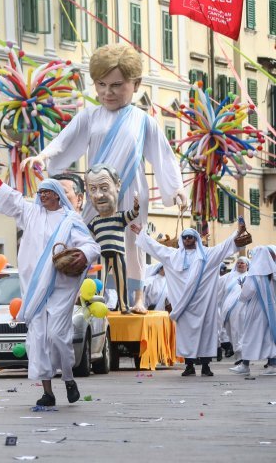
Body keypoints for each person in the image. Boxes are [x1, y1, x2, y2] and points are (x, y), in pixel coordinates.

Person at [24, 44, 186, 313]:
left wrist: (177, 188)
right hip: (96, 191)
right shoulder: (89, 117)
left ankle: (136, 298)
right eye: (101, 85)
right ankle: (83, 292)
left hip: (132, 191)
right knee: (84, 237)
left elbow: (163, 156)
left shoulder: (143, 121)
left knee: (133, 244)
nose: (107, 92)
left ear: (136, 84)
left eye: (116, 85)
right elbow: (64, 141)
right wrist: (43, 156)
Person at [0, 162, 100, 406]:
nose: (42, 195)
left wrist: (83, 255)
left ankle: (68, 379)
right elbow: (7, 194)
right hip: (35, 289)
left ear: (57, 195)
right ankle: (48, 392)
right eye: (40, 192)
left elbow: (91, 245)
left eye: (47, 192)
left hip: (61, 286)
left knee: (57, 336)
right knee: (37, 339)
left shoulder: (70, 220)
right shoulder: (30, 212)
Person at [131, 219, 246, 377]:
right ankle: (189, 365)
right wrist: (141, 234)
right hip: (183, 306)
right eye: (184, 237)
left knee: (206, 334)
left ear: (196, 239)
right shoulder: (173, 256)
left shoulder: (207, 254)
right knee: (185, 336)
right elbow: (156, 248)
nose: (187, 240)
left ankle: (206, 366)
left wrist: (238, 232)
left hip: (204, 305)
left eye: (190, 237)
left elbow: (225, 246)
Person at [85, 164, 140, 313]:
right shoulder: (95, 221)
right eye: (93, 189)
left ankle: (123, 306)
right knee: (99, 281)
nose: (98, 195)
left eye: (104, 188)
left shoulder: (119, 217)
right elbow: (84, 233)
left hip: (117, 252)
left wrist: (136, 208)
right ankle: (98, 305)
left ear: (117, 186)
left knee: (121, 280)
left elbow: (132, 215)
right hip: (102, 254)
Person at [229, 246, 276, 376]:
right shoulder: (273, 273)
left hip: (256, 311)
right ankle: (272, 364)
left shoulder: (254, 275)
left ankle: (245, 365)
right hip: (272, 311)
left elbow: (246, 294)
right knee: (270, 338)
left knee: (249, 336)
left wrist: (243, 287)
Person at [219, 257, 248, 363]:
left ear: (247, 265)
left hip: (244, 310)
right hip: (229, 311)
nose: (240, 265)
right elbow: (216, 285)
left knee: (242, 332)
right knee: (233, 333)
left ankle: (243, 358)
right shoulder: (229, 277)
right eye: (239, 263)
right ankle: (238, 355)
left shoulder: (250, 277)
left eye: (242, 263)